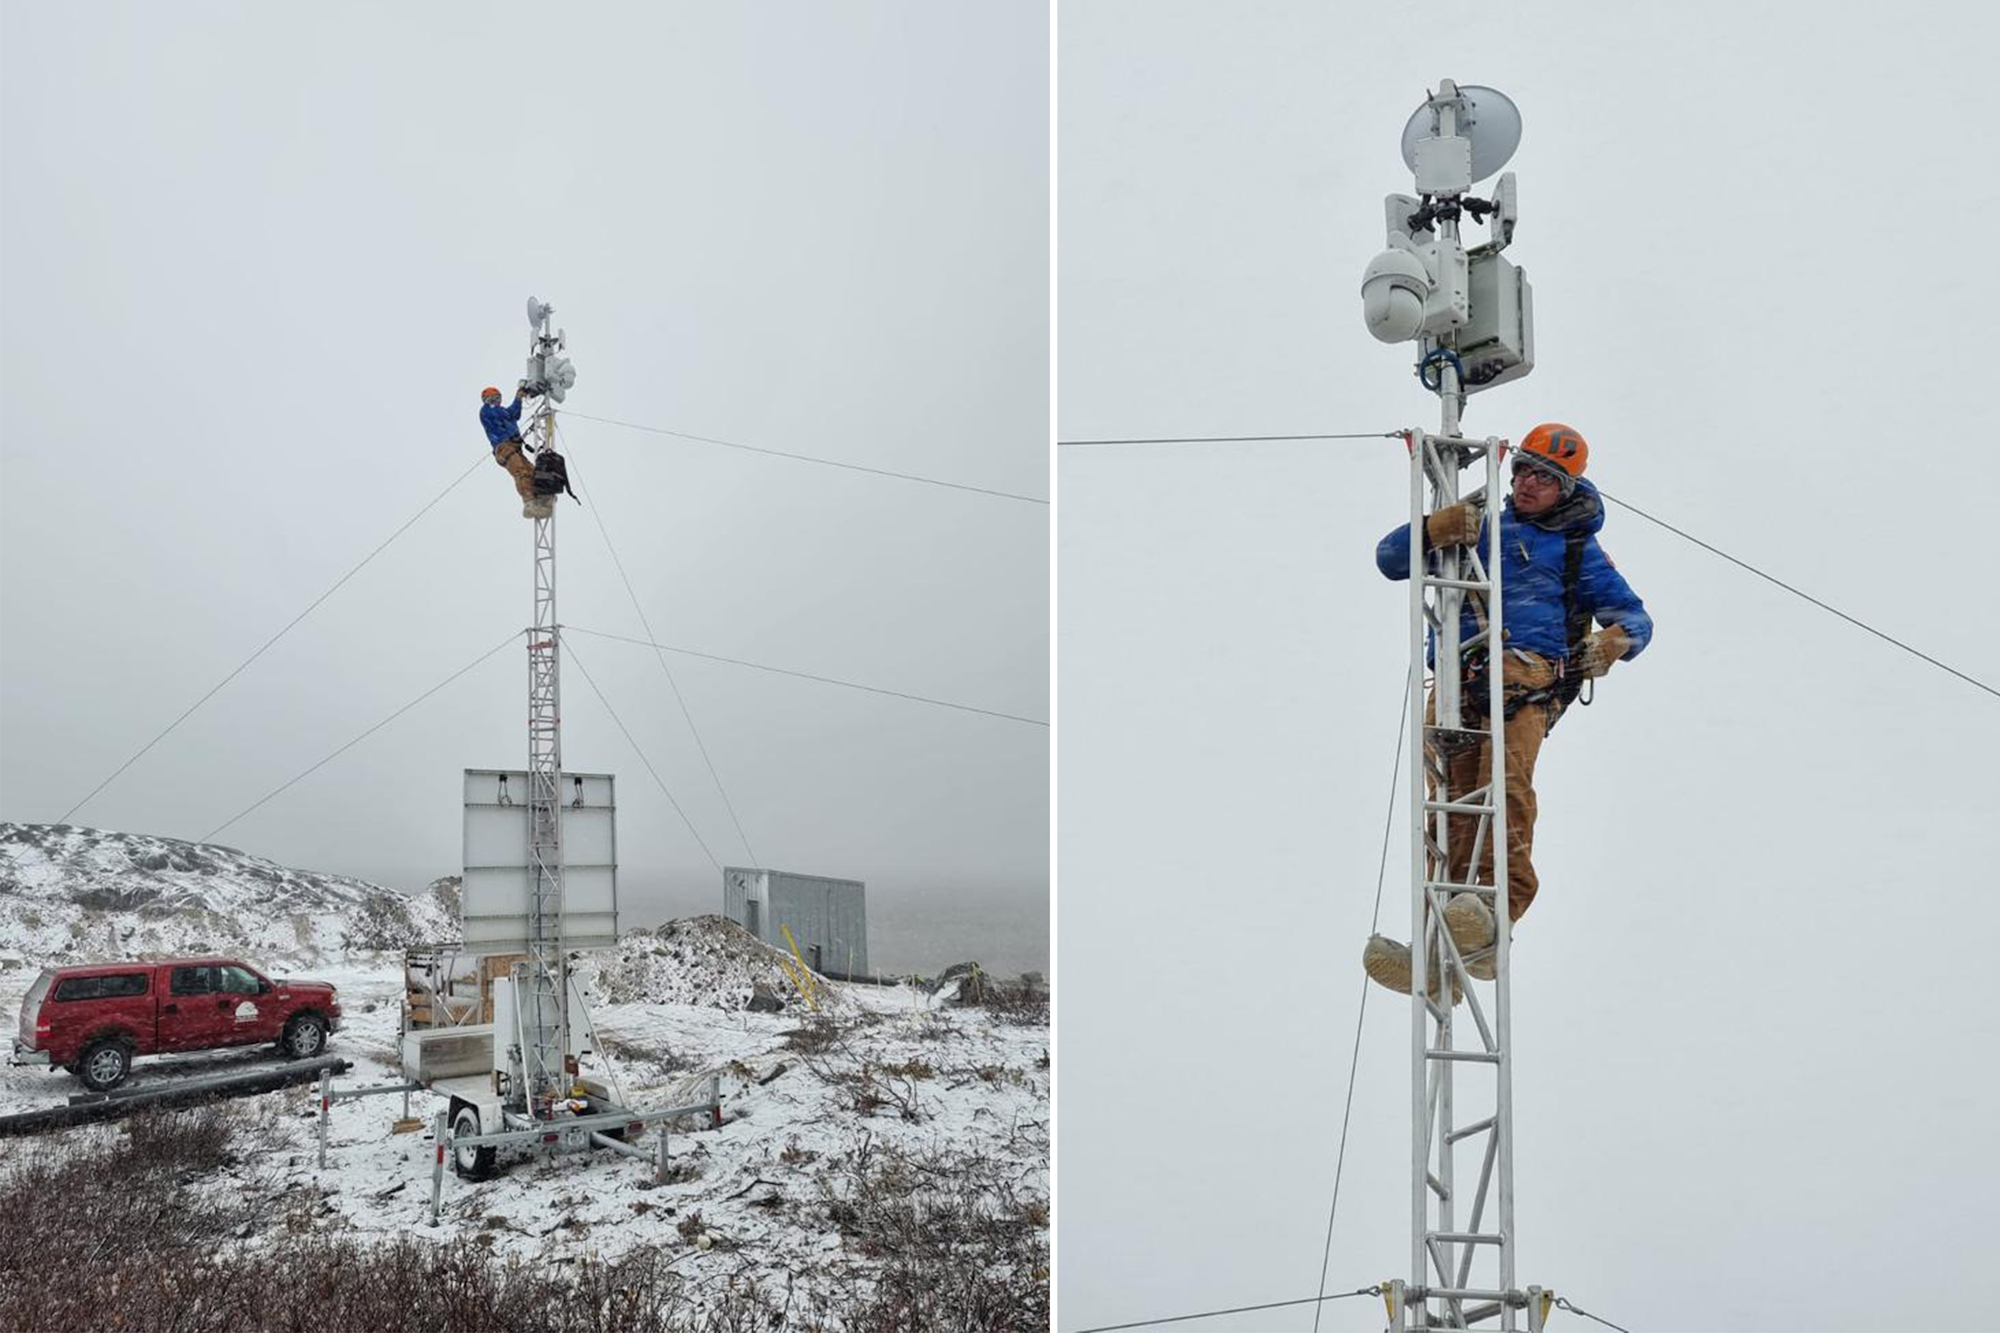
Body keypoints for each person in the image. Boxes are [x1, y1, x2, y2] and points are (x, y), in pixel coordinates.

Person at [1363, 422, 1652, 999]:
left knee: (1506, 789)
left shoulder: (1575, 548)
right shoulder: (1481, 529)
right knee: (1449, 813)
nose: (1526, 484)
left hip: (1526, 679)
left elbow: (1635, 618)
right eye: (1521, 471)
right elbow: (1392, 558)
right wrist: (1431, 530)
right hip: (1457, 681)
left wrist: (1612, 643)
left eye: (1543, 477)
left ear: (1566, 487)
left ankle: (1498, 919)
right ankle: (1438, 945)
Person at [480, 384, 551, 518]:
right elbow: (509, 413)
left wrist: (518, 398)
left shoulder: (501, 411)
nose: (495, 401)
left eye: (497, 398)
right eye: (491, 399)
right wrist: (517, 399)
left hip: (514, 447)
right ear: (485, 401)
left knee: (531, 471)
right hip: (504, 447)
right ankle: (529, 503)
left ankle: (541, 497)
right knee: (521, 471)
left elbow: (514, 413)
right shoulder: (487, 411)